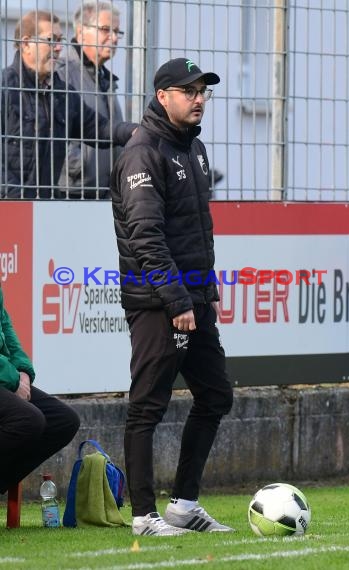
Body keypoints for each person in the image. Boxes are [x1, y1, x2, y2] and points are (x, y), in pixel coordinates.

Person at [111, 57, 234, 536]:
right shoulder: (143, 152)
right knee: (147, 405)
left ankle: (183, 503)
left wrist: (204, 292)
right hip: (158, 302)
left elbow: (196, 231)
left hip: (194, 299)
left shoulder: (194, 148)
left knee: (216, 395)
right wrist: (177, 300)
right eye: (190, 91)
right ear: (163, 96)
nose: (199, 98)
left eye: (203, 91)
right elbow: (146, 237)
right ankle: (144, 516)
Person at [0, 10, 136, 199]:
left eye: (60, 40)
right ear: (26, 44)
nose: (58, 48)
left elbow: (97, 127)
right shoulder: (5, 87)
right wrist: (15, 196)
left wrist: (134, 131)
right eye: (51, 40)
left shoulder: (61, 92)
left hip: (46, 205)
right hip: (10, 206)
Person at [0, 285, 80, 495]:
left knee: (64, 421)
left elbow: (6, 328)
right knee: (29, 419)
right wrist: (13, 378)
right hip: (4, 376)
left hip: (5, 376)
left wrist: (23, 370)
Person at [57, 1, 124, 199]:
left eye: (117, 31)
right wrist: (76, 166)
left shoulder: (105, 78)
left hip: (106, 192)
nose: (113, 38)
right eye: (105, 30)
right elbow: (47, 129)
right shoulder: (61, 73)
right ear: (80, 32)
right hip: (74, 192)